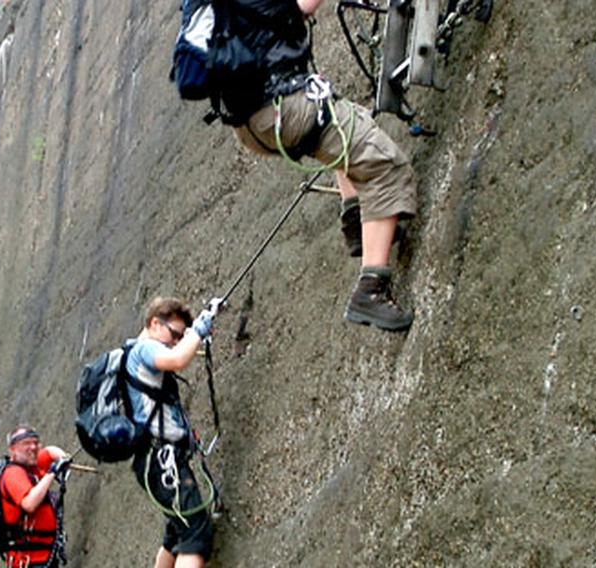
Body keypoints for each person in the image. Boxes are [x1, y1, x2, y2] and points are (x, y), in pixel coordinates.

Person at [216, 0, 418, 331]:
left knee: (345, 128)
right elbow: (302, 6)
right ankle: (371, 290)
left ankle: (356, 219)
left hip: (251, 125)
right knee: (385, 165)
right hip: (283, 106)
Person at [126, 297, 218, 568]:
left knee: (177, 529)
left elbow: (156, 408)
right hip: (161, 457)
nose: (176, 342)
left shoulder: (137, 359)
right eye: (174, 334)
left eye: (180, 337)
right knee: (195, 530)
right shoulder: (143, 351)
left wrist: (186, 434)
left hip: (156, 458)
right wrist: (199, 328)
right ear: (155, 323)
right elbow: (178, 360)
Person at [0, 425, 71, 568]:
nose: (33, 447)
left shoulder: (32, 466)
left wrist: (63, 457)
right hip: (29, 562)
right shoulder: (12, 474)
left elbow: (50, 452)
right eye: (26, 444)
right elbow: (29, 503)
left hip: (44, 556)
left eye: (36, 442)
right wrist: (53, 472)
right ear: (13, 449)